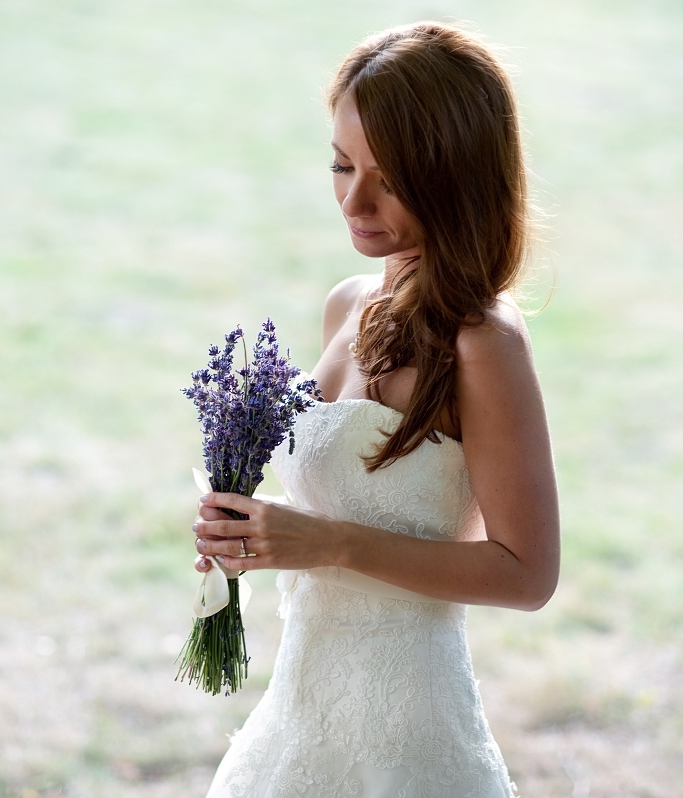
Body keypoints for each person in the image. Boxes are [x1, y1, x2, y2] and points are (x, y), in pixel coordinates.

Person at [192, 21, 560, 798]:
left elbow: (528, 573)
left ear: (456, 175)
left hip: (406, 730)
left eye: (389, 180)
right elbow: (339, 500)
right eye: (341, 164)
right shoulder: (347, 304)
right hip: (302, 710)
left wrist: (328, 543)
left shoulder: (481, 342)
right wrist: (253, 532)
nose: (353, 200)